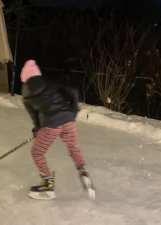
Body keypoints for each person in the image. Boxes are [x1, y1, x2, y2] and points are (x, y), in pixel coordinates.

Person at [20, 59, 95, 200]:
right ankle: (82, 170)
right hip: (68, 119)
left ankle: (48, 184)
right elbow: (72, 91)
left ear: (24, 78)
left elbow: (34, 115)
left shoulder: (26, 94)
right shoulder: (50, 83)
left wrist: (37, 129)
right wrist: (73, 110)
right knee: (73, 147)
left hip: (52, 123)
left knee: (37, 153)